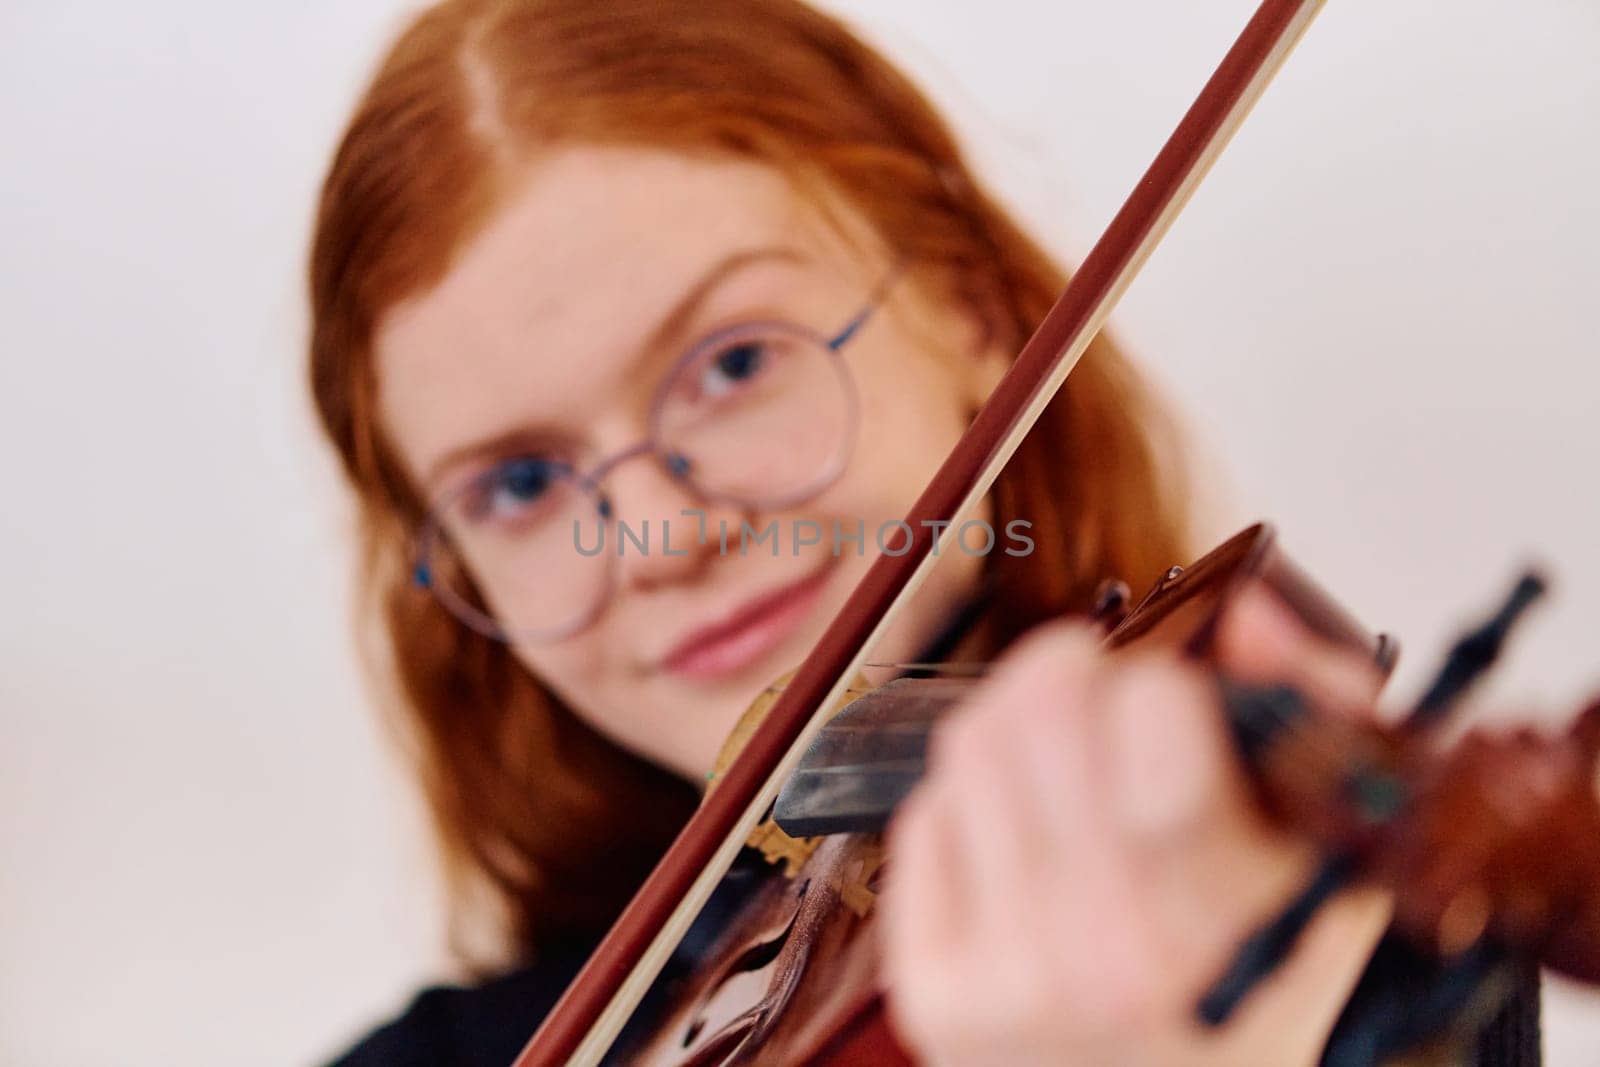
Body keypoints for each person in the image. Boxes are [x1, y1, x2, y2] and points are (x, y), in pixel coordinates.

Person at [308, 1, 1538, 1063]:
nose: (655, 537)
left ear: (972, 311)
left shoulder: (1333, 936)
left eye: (734, 361)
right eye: (519, 483)